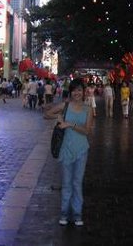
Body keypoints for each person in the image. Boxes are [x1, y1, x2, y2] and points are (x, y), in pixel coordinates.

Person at [44, 78, 93, 227]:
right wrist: (57, 117)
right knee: (66, 183)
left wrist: (70, 124)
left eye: (79, 90)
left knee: (77, 183)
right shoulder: (65, 105)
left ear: (83, 92)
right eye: (74, 90)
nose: (77, 93)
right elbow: (46, 113)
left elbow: (86, 131)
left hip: (81, 150)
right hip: (65, 149)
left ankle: (77, 214)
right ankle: (64, 213)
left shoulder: (88, 109)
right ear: (70, 92)